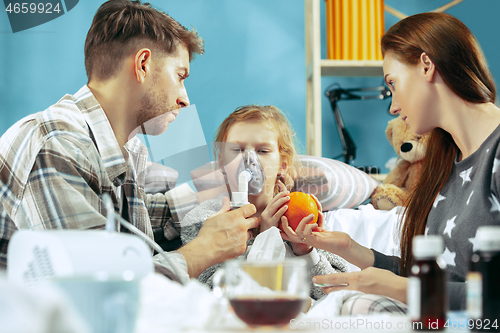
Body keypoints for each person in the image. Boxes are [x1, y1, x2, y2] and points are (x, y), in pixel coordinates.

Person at [0, 0, 259, 283]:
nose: (185, 99)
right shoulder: (58, 145)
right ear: (143, 64)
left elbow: (136, 222)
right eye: (180, 76)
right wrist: (204, 251)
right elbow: (99, 291)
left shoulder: (127, 147)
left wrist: (218, 182)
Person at [296, 12, 500, 312]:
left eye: (392, 83)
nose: (392, 106)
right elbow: (441, 280)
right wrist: (353, 250)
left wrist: (403, 290)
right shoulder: (448, 160)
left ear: (426, 66)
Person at [180, 105, 348, 300]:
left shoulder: (301, 214)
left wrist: (305, 250)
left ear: (282, 165)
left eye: (262, 150)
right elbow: (208, 293)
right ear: (222, 163)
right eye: (237, 149)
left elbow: (336, 292)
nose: (249, 160)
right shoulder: (204, 220)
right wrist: (266, 239)